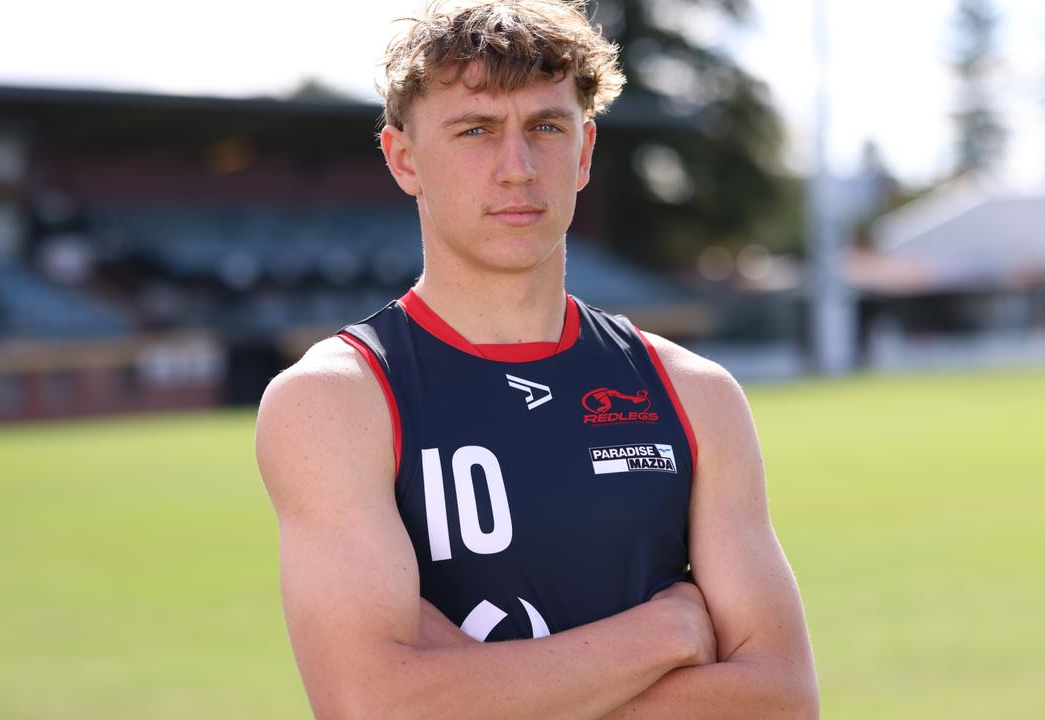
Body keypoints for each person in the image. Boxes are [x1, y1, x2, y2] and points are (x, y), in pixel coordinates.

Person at [254, 1, 818, 717]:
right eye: (476, 131)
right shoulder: (335, 401)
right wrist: (662, 633)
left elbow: (782, 700)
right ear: (404, 159)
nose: (517, 168)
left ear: (583, 154)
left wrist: (480, 693)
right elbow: (373, 706)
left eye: (546, 128)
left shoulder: (694, 395)